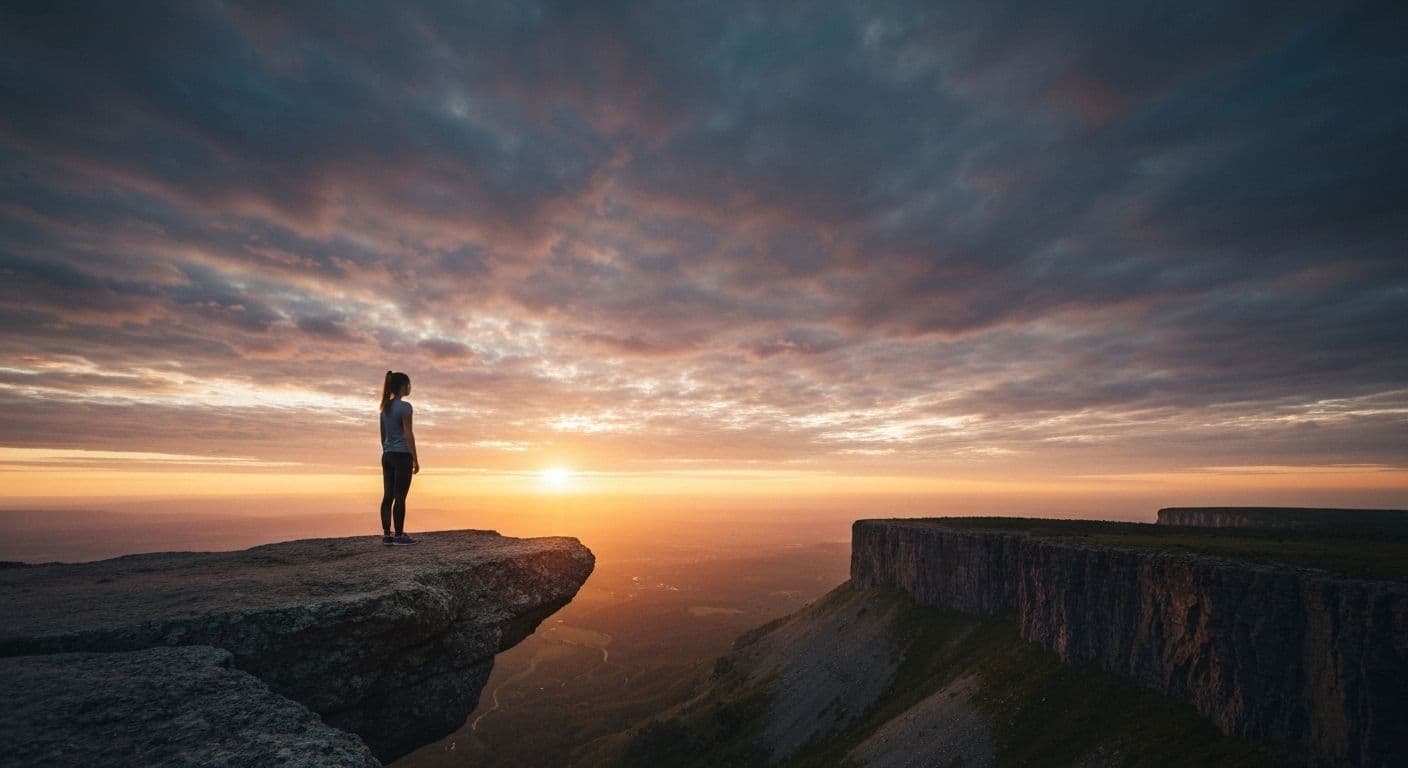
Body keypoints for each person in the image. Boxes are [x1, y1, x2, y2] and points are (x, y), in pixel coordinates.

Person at [379, 370, 419, 545]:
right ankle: (400, 535)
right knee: (400, 496)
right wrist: (415, 458)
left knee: (388, 496)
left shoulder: (384, 408)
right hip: (402, 455)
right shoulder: (405, 407)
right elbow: (408, 434)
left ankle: (387, 535)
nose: (410, 387)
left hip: (387, 455)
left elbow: (383, 436)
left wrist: (387, 451)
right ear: (403, 386)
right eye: (409, 384)